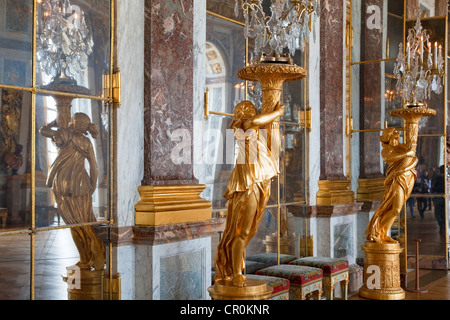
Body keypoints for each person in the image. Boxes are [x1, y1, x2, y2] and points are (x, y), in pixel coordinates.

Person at [214, 100, 283, 287]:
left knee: (251, 230)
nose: (254, 113)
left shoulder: (255, 130)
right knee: (242, 231)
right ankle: (236, 272)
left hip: (261, 180)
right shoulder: (246, 126)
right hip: (249, 183)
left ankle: (234, 265)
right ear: (244, 114)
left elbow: (272, 146)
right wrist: (278, 113)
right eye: (251, 111)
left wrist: (274, 123)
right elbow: (258, 120)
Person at [40, 113, 105, 271]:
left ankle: (86, 258)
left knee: (75, 225)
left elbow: (43, 131)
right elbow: (94, 166)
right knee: (85, 222)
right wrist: (92, 185)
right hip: (82, 186)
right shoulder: (87, 142)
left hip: (64, 186)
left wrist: (54, 123)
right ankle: (94, 256)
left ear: (74, 123)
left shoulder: (66, 134)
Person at [366, 127, 417, 243]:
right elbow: (390, 158)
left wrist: (408, 152)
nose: (396, 140)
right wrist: (407, 154)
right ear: (388, 138)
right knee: (395, 209)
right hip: (397, 179)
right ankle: (377, 230)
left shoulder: (401, 147)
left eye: (396, 137)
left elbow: (413, 154)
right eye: (393, 138)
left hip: (407, 178)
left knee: (395, 209)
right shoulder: (386, 150)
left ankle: (384, 233)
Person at [431, 165, 446, 235]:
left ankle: (442, 225)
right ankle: (443, 226)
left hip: (438, 197)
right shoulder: (446, 178)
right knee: (443, 213)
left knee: (437, 213)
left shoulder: (438, 178)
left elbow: (434, 188)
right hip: (444, 198)